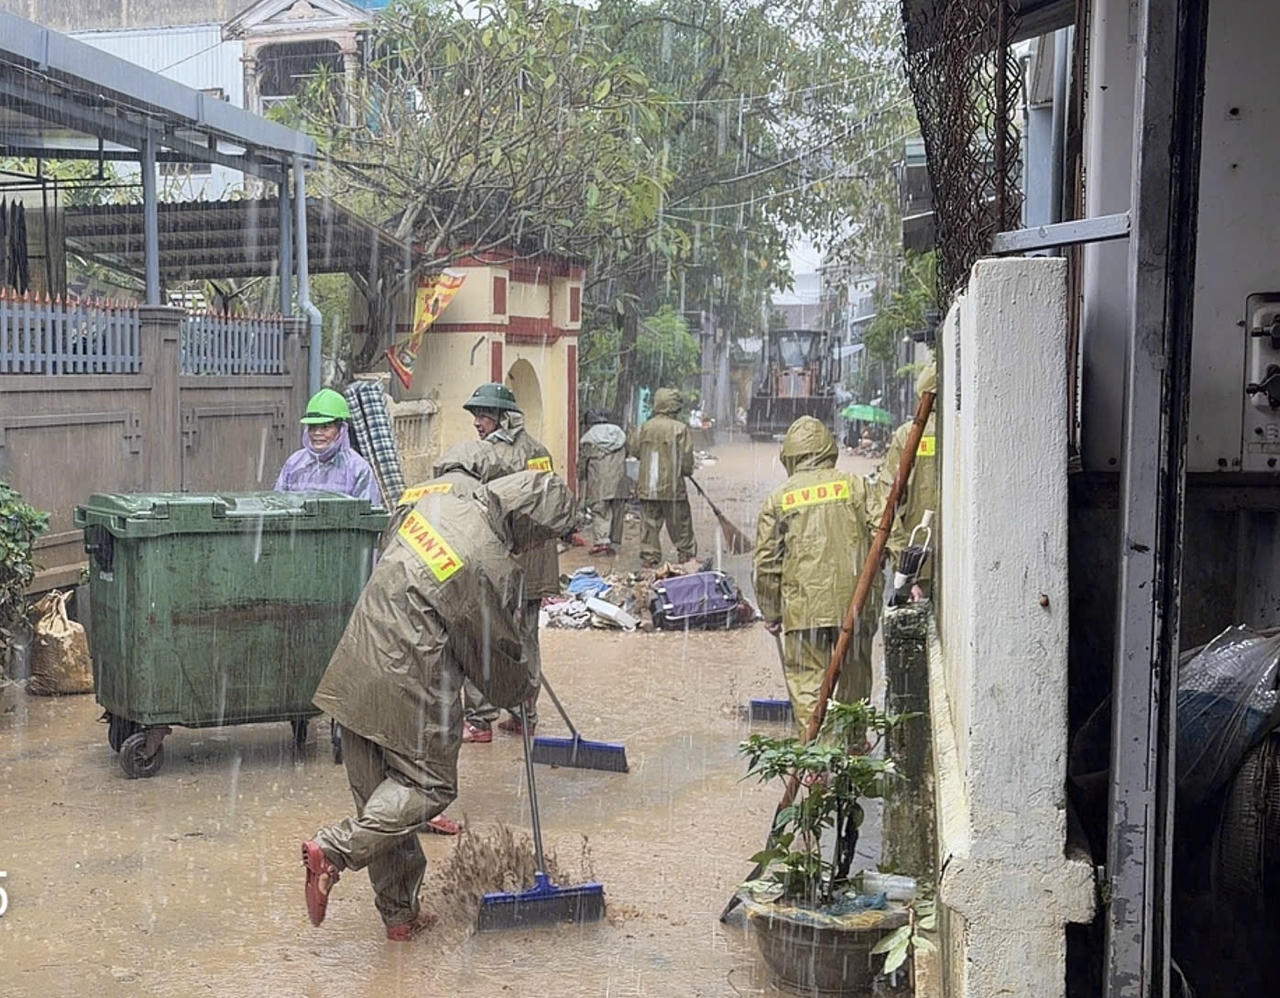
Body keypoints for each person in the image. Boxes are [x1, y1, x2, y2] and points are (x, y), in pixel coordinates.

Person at [301, 470, 578, 940]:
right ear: (529, 525)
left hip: (358, 658)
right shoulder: (490, 563)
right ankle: (334, 849)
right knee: (427, 785)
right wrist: (521, 685)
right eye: (543, 537)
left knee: (382, 801)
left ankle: (399, 916)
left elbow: (394, 541)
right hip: (413, 676)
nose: (538, 547)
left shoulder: (440, 500)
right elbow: (491, 657)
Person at [753, 416, 880, 741]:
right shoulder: (856, 486)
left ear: (789, 455)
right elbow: (885, 530)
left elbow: (766, 562)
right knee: (854, 680)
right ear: (828, 449)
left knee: (808, 684)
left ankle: (817, 754)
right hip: (855, 603)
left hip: (803, 610)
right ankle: (853, 746)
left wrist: (771, 611)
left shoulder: (779, 498)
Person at [459, 382, 560, 741]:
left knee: (484, 637)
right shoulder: (538, 451)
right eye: (475, 416)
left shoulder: (488, 456)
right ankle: (523, 714)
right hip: (535, 560)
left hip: (503, 560)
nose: (477, 423)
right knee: (525, 638)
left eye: (484, 416)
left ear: (504, 419)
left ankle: (479, 721)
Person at [878, 363, 938, 601]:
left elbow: (887, 501)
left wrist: (901, 565)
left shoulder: (909, 434)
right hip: (962, 555)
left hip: (918, 556)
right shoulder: (966, 429)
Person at [274, 388, 381, 505]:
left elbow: (369, 511)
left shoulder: (357, 468)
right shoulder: (294, 464)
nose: (317, 433)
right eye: (312, 427)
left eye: (325, 427)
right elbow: (278, 504)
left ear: (341, 429)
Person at [629, 387, 696, 567]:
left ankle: (649, 557)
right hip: (672, 486)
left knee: (649, 524)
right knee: (680, 522)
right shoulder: (680, 429)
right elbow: (687, 459)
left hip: (648, 485)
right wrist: (686, 471)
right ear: (674, 407)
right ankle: (685, 555)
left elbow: (635, 451)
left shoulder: (645, 427)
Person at [577, 410, 629, 556]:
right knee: (618, 511)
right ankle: (615, 543)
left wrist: (581, 477)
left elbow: (583, 462)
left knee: (600, 511)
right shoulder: (619, 434)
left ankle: (602, 541)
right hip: (619, 481)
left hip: (599, 481)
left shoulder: (588, 438)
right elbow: (628, 453)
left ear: (589, 423)